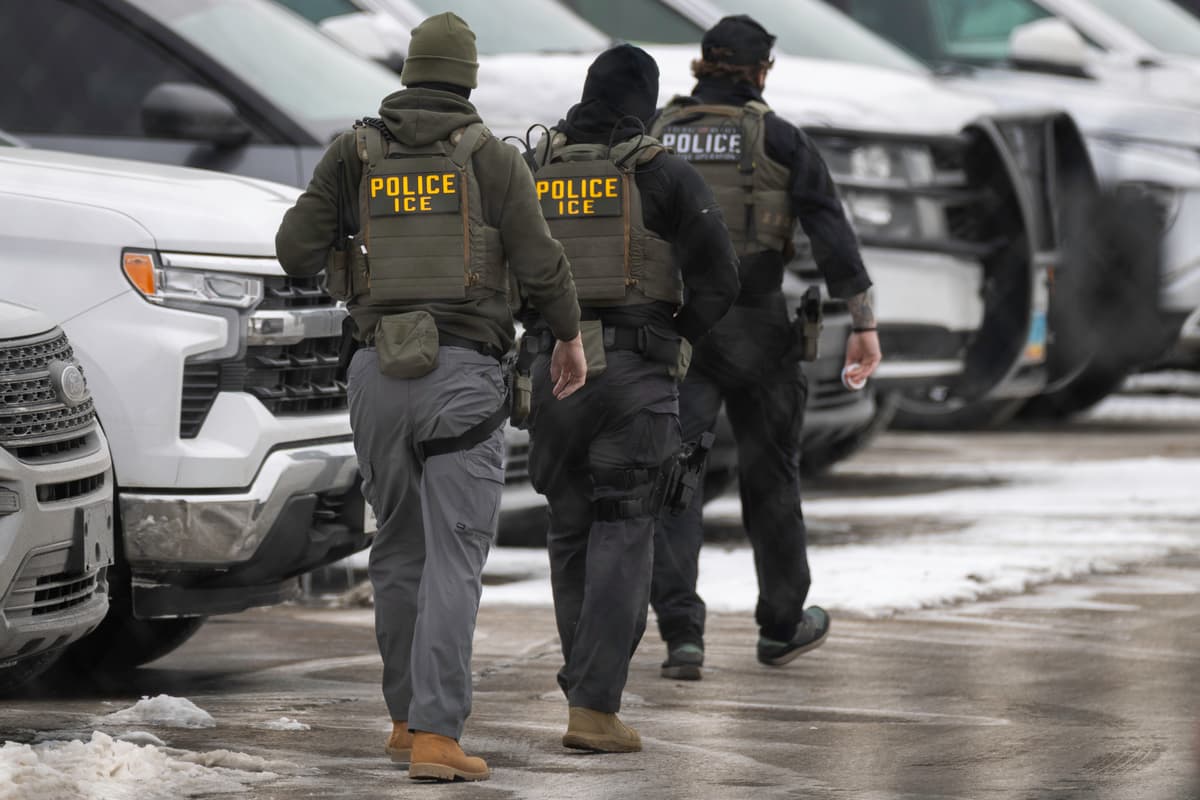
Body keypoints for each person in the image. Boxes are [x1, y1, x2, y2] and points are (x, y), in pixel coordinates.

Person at [275, 12, 586, 782]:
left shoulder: (354, 151)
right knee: (456, 556)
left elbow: (293, 249)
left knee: (400, 548)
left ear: (410, 72)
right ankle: (439, 738)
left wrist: (355, 253)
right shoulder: (490, 159)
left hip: (376, 375)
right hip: (463, 380)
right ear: (469, 78)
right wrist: (570, 337)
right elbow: (542, 264)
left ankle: (406, 720)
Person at [647, 15, 883, 680]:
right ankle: (781, 626)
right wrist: (863, 320)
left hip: (681, 325)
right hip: (757, 323)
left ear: (703, 65)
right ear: (759, 71)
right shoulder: (780, 137)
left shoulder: (657, 138)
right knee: (772, 476)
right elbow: (831, 231)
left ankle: (681, 637)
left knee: (677, 480)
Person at [522, 44, 739, 752]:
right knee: (625, 528)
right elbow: (721, 279)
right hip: (635, 376)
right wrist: (676, 337)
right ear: (644, 102)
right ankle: (593, 704)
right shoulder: (662, 172)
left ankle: (583, 678)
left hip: (554, 372)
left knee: (568, 526)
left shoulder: (535, 168)